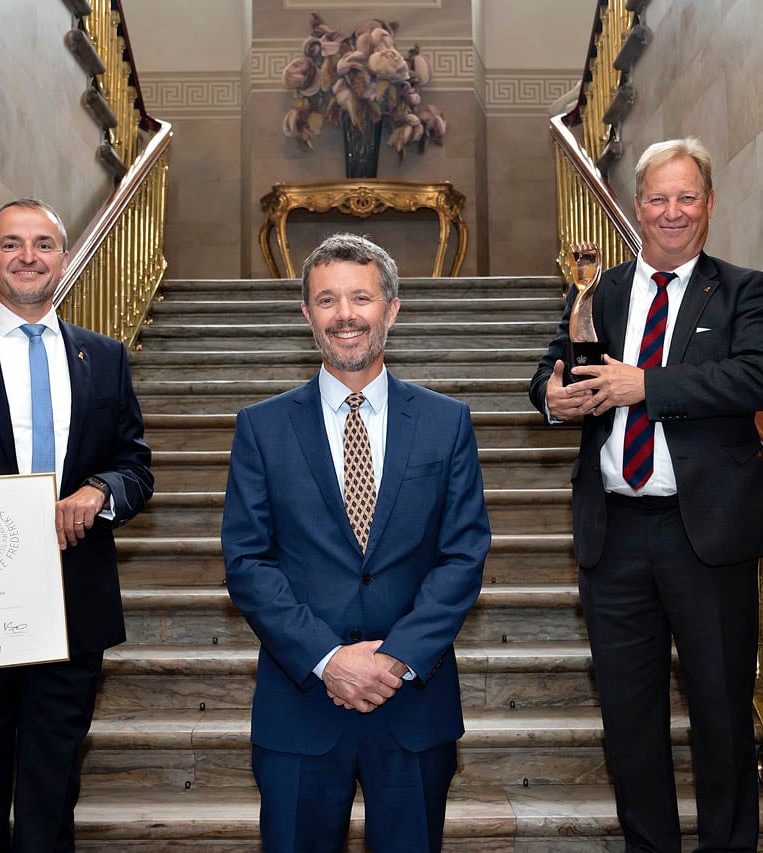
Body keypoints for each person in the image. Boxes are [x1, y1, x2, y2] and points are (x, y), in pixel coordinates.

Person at [221, 233, 490, 852]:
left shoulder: (446, 422)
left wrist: (396, 658)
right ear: (306, 314)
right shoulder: (261, 427)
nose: (345, 315)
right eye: (327, 300)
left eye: (361, 298)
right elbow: (248, 562)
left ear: (391, 309)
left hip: (412, 704)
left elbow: (463, 555)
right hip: (301, 705)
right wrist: (329, 659)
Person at [529, 139, 763, 851]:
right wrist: (551, 398)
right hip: (614, 537)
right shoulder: (601, 292)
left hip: (706, 536)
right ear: (636, 207)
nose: (671, 212)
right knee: (629, 721)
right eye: (658, 198)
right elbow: (551, 366)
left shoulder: (744, 290)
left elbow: (752, 375)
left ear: (709, 203)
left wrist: (646, 385)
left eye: (686, 197)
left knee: (722, 713)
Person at [0, 199, 153, 852]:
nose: (28, 256)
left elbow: (135, 467)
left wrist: (100, 490)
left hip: (74, 607)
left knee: (53, 789)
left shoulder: (105, 357)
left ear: (64, 259)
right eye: (11, 243)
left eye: (43, 244)